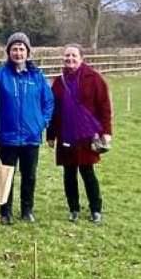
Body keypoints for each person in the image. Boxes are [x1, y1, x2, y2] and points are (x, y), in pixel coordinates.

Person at [46, 44, 112, 224]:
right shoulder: (59, 82)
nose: (70, 59)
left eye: (74, 55)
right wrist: (51, 134)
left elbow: (104, 107)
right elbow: (54, 110)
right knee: (69, 174)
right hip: (66, 134)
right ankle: (73, 208)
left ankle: (95, 209)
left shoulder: (94, 79)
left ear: (81, 58)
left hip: (87, 135)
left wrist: (106, 132)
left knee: (87, 172)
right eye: (67, 56)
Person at [0, 32, 54, 225]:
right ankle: (6, 211)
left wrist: (41, 122)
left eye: (22, 49)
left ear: (28, 52)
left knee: (29, 175)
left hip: (31, 136)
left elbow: (49, 102)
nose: (18, 53)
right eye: (14, 49)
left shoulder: (37, 76)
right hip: (6, 135)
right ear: (8, 52)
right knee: (6, 175)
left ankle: (27, 210)